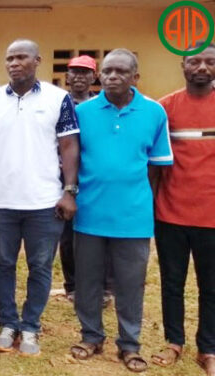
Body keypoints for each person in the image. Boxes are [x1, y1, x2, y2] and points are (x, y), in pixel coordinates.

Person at [0, 39, 79, 356]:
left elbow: (69, 146)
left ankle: (31, 326)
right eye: (9, 58)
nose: (14, 63)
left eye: (21, 57)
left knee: (41, 266)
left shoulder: (58, 98)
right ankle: (9, 323)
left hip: (45, 202)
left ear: (37, 60)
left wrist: (69, 191)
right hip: (1, 201)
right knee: (2, 263)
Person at [70, 48, 173, 373]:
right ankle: (91, 336)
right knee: (87, 282)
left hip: (133, 218)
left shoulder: (154, 113)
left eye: (121, 72)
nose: (112, 77)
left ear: (135, 77)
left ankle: (129, 345)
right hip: (88, 213)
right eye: (108, 71)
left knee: (130, 284)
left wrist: (141, 203)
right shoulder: (83, 112)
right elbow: (71, 158)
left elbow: (157, 169)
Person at [152, 42, 215, 375]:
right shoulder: (165, 109)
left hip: (212, 217)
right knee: (172, 282)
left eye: (209, 62)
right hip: (171, 212)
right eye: (195, 61)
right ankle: (173, 341)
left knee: (211, 286)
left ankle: (208, 348)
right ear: (183, 65)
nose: (202, 67)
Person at [58, 55, 113, 304]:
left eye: (85, 72)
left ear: (94, 77)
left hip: (94, 178)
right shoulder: (58, 104)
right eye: (74, 72)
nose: (79, 77)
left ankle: (103, 287)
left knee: (97, 231)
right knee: (68, 234)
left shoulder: (101, 106)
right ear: (67, 77)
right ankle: (72, 285)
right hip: (64, 177)